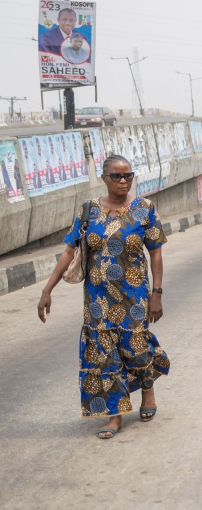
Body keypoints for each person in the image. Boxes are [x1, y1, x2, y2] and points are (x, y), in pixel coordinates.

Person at [36, 155, 169, 439]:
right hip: (97, 302)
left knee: (136, 349)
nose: (123, 181)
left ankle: (147, 390)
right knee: (105, 357)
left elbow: (155, 252)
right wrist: (47, 290)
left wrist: (157, 293)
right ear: (104, 178)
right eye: (116, 176)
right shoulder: (89, 211)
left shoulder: (145, 209)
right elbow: (69, 252)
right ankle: (114, 415)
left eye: (128, 176)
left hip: (134, 297)